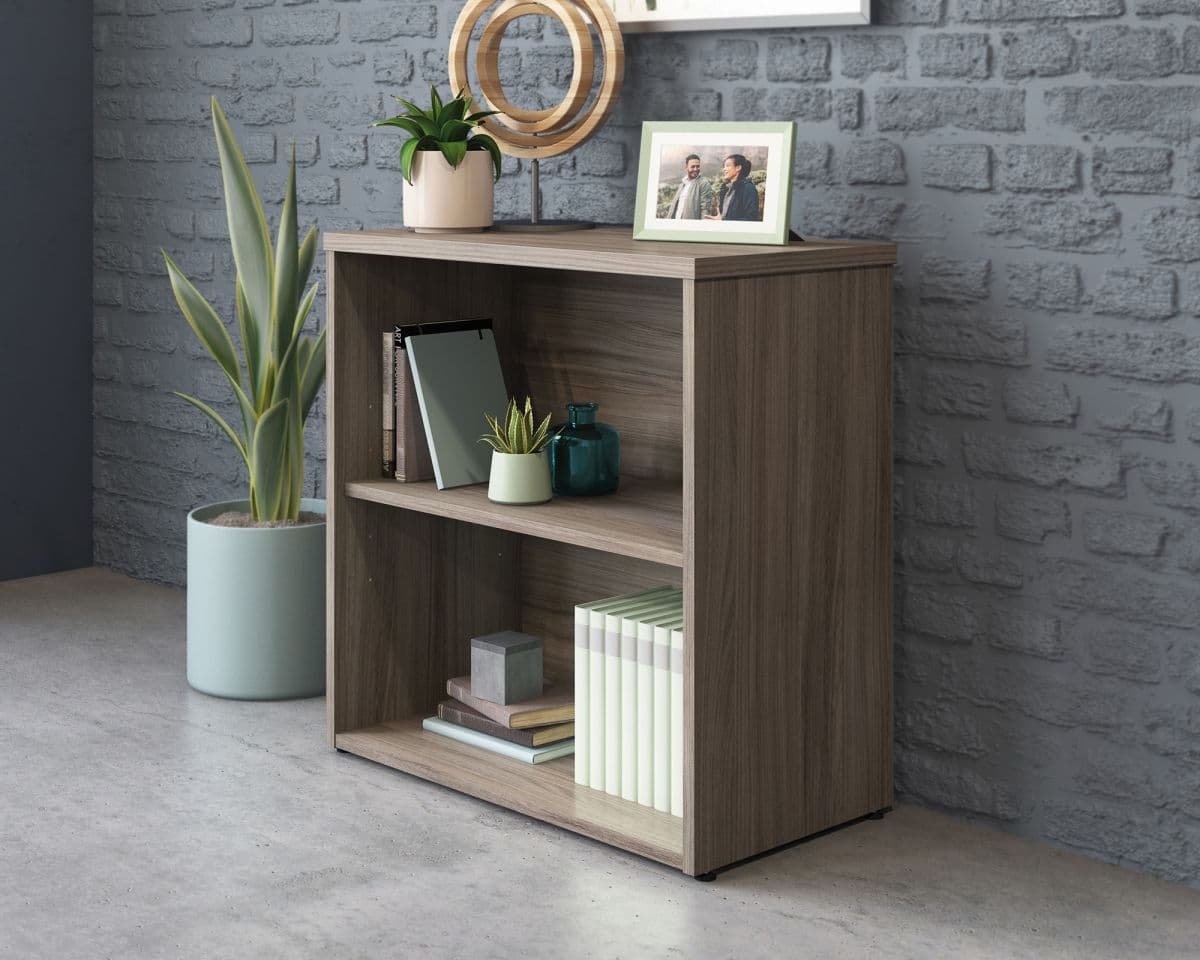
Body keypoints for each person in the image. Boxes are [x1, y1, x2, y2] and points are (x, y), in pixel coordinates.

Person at [705, 154, 760, 222]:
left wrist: (724, 220)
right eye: (724, 166)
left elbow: (752, 218)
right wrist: (718, 218)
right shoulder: (724, 188)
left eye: (727, 166)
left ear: (738, 168)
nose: (724, 169)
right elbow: (723, 216)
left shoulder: (748, 188)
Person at [664, 153, 715, 220]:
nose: (696, 169)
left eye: (698, 166)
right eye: (693, 166)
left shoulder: (704, 183)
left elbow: (705, 210)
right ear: (686, 167)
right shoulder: (683, 184)